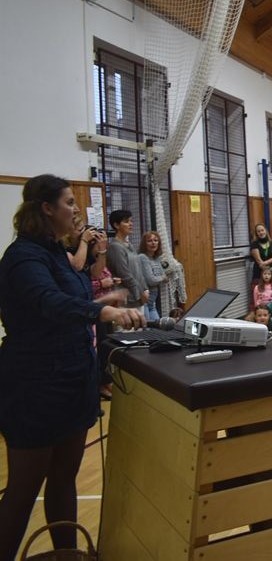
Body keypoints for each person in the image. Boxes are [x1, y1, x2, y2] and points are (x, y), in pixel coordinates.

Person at [0, 175, 144, 559]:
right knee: (24, 488)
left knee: (64, 480)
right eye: (68, 202)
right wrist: (104, 308)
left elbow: (74, 292)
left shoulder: (54, 253)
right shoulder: (23, 258)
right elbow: (49, 302)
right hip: (36, 386)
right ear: (46, 208)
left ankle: (68, 554)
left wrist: (106, 294)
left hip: (72, 378)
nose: (76, 209)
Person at [106, 209, 148, 313]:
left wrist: (145, 289)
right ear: (116, 225)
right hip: (126, 301)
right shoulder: (115, 247)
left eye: (131, 221)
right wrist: (139, 294)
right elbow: (124, 274)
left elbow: (138, 271)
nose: (130, 224)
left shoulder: (130, 245)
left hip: (138, 298)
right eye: (126, 221)